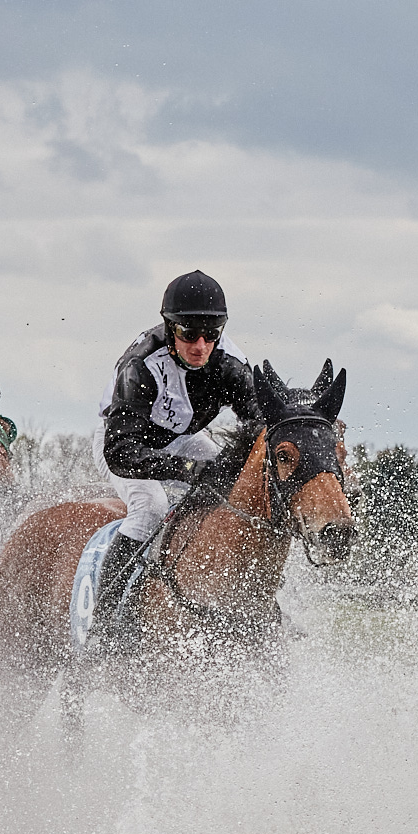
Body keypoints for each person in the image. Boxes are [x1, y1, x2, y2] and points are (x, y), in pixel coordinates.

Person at [89, 270, 260, 647]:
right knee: (151, 507)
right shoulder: (141, 365)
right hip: (123, 443)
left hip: (181, 439)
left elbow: (259, 423)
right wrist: (186, 470)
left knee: (234, 494)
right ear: (170, 328)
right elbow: (121, 453)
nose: (200, 346)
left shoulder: (231, 363)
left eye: (211, 334)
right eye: (188, 333)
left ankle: (253, 603)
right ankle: (107, 622)